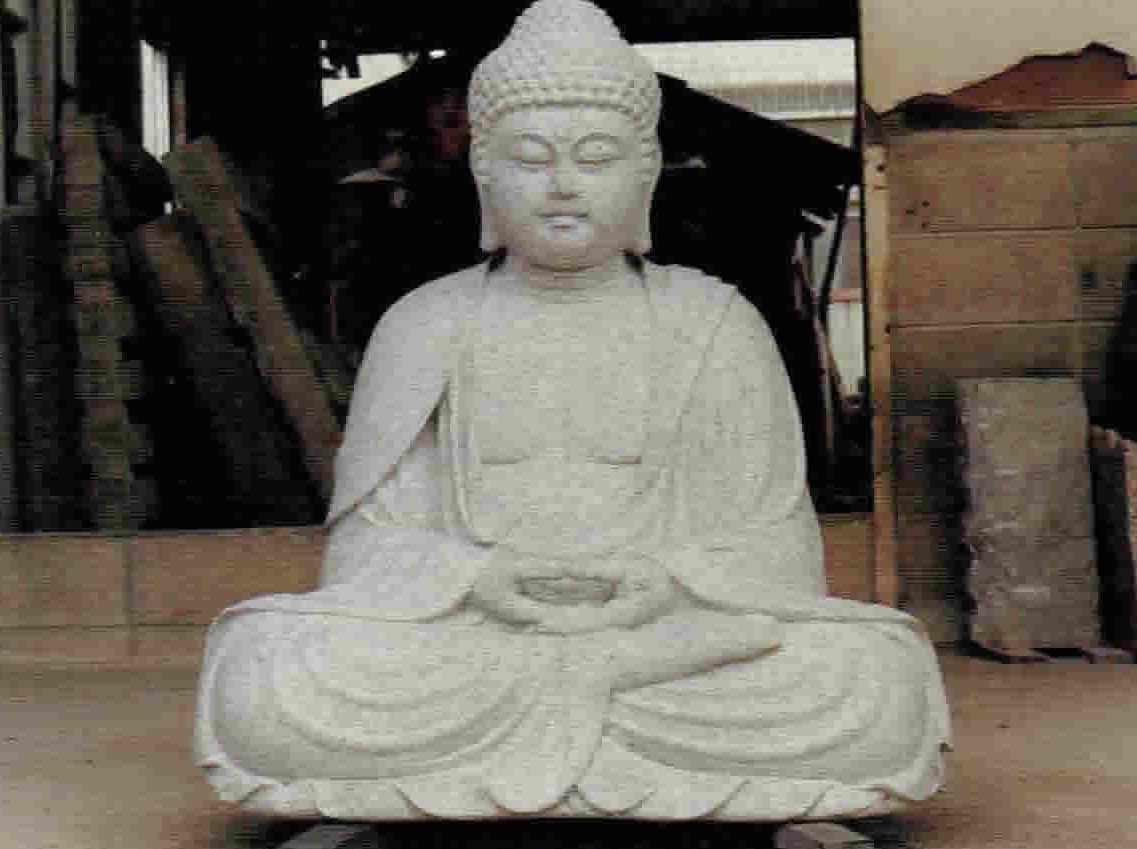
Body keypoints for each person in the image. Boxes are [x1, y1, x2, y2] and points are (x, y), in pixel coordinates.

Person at [195, 0, 949, 821]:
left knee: (873, 673)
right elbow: (364, 553)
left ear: (645, 174)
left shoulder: (713, 323)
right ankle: (610, 738)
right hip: (479, 640)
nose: (561, 185)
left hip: (662, 643)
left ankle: (538, 734)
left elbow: (779, 553)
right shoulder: (426, 324)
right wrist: (480, 581)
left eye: (595, 158)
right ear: (484, 175)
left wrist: (661, 586)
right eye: (530, 158)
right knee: (264, 669)